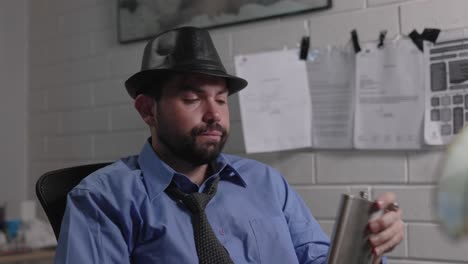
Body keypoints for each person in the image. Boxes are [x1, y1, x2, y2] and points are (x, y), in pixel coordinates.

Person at [55, 26, 404, 264]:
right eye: (192, 98)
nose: (213, 114)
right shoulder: (103, 199)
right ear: (148, 109)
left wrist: (369, 244)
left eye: (221, 100)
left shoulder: (267, 183)